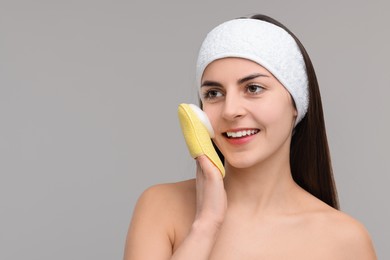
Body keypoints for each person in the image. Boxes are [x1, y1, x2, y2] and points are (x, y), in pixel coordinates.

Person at [123, 14, 377, 259]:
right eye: (213, 93)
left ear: (296, 104)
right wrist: (206, 225)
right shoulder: (160, 207)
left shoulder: (344, 240)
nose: (230, 110)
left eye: (253, 88)